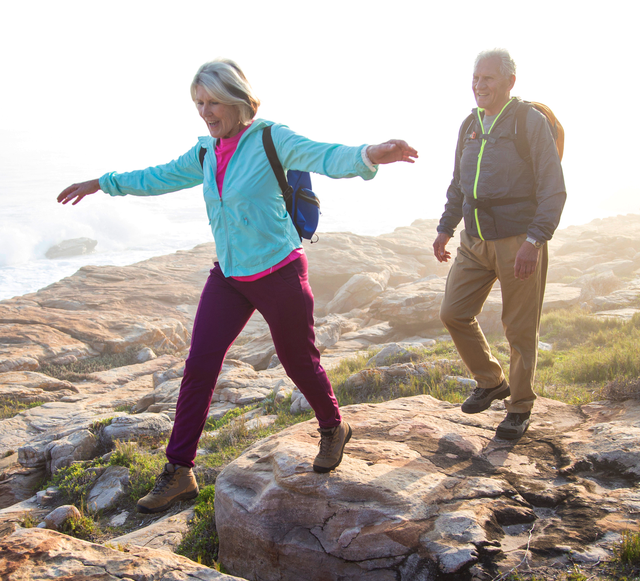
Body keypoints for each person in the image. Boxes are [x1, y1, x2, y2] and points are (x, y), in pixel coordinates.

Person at [58, 58, 418, 514]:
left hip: (279, 270)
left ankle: (332, 426)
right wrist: (101, 183)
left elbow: (324, 155)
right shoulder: (205, 152)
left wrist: (369, 154)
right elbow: (158, 176)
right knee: (199, 366)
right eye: (198, 104)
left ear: (236, 99)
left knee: (298, 361)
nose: (205, 113)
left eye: (211, 102)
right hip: (230, 275)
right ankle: (179, 471)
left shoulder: (271, 137)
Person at [433, 48, 566, 440]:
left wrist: (535, 239)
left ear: (510, 81)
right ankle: (491, 381)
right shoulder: (468, 125)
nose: (479, 85)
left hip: (518, 241)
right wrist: (445, 228)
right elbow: (459, 182)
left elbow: (552, 187)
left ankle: (520, 406)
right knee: (453, 312)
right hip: (473, 240)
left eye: (488, 78)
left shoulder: (528, 122)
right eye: (476, 78)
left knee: (519, 329)